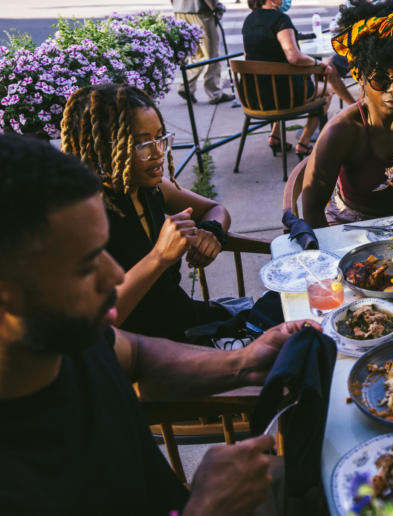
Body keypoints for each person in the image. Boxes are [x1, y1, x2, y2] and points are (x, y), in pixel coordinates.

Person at [0, 133, 321, 514]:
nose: (115, 275)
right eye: (86, 265)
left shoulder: (70, 335)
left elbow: (136, 354)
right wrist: (204, 508)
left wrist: (244, 362)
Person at [61, 84, 234, 342]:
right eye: (142, 144)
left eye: (160, 137)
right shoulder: (85, 220)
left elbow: (215, 209)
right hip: (146, 354)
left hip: (186, 323)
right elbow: (100, 325)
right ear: (102, 147)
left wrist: (211, 231)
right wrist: (159, 257)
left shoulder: (151, 188)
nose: (158, 153)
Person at [300, 0, 393, 227]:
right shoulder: (341, 131)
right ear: (360, 77)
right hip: (350, 224)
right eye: (380, 78)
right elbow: (311, 211)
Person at [243, 0, 334, 159]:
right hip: (284, 96)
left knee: (283, 83)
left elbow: (247, 56)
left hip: (254, 96)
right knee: (327, 91)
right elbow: (294, 57)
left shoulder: (248, 20)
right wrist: (318, 64)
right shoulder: (280, 20)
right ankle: (304, 143)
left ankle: (275, 136)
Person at [172, 0, 236, 104]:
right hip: (200, 10)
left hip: (181, 9)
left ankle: (186, 87)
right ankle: (214, 92)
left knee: (197, 54)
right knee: (211, 55)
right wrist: (215, 6)